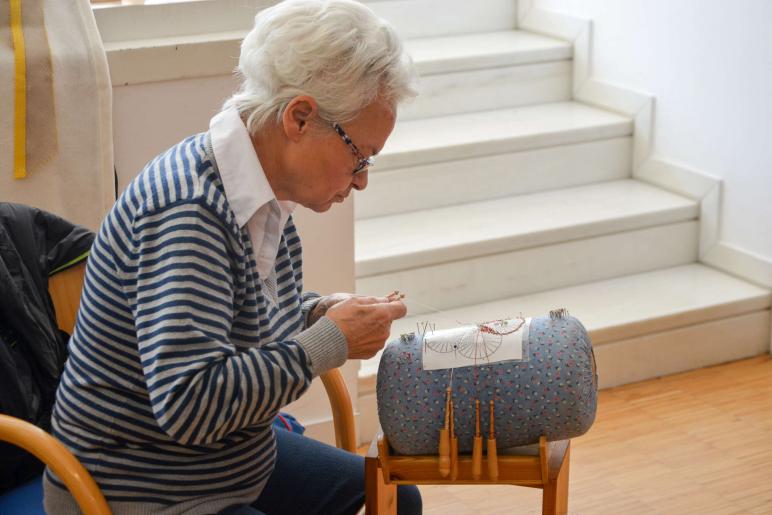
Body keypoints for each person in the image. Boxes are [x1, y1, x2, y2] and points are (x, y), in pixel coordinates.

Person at [42, 0, 421, 513]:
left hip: (223, 462)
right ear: (300, 117)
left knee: (395, 496)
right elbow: (190, 404)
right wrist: (329, 340)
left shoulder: (261, 191)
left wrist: (317, 313)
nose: (361, 178)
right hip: (143, 486)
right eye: (359, 154)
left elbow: (237, 318)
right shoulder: (189, 210)